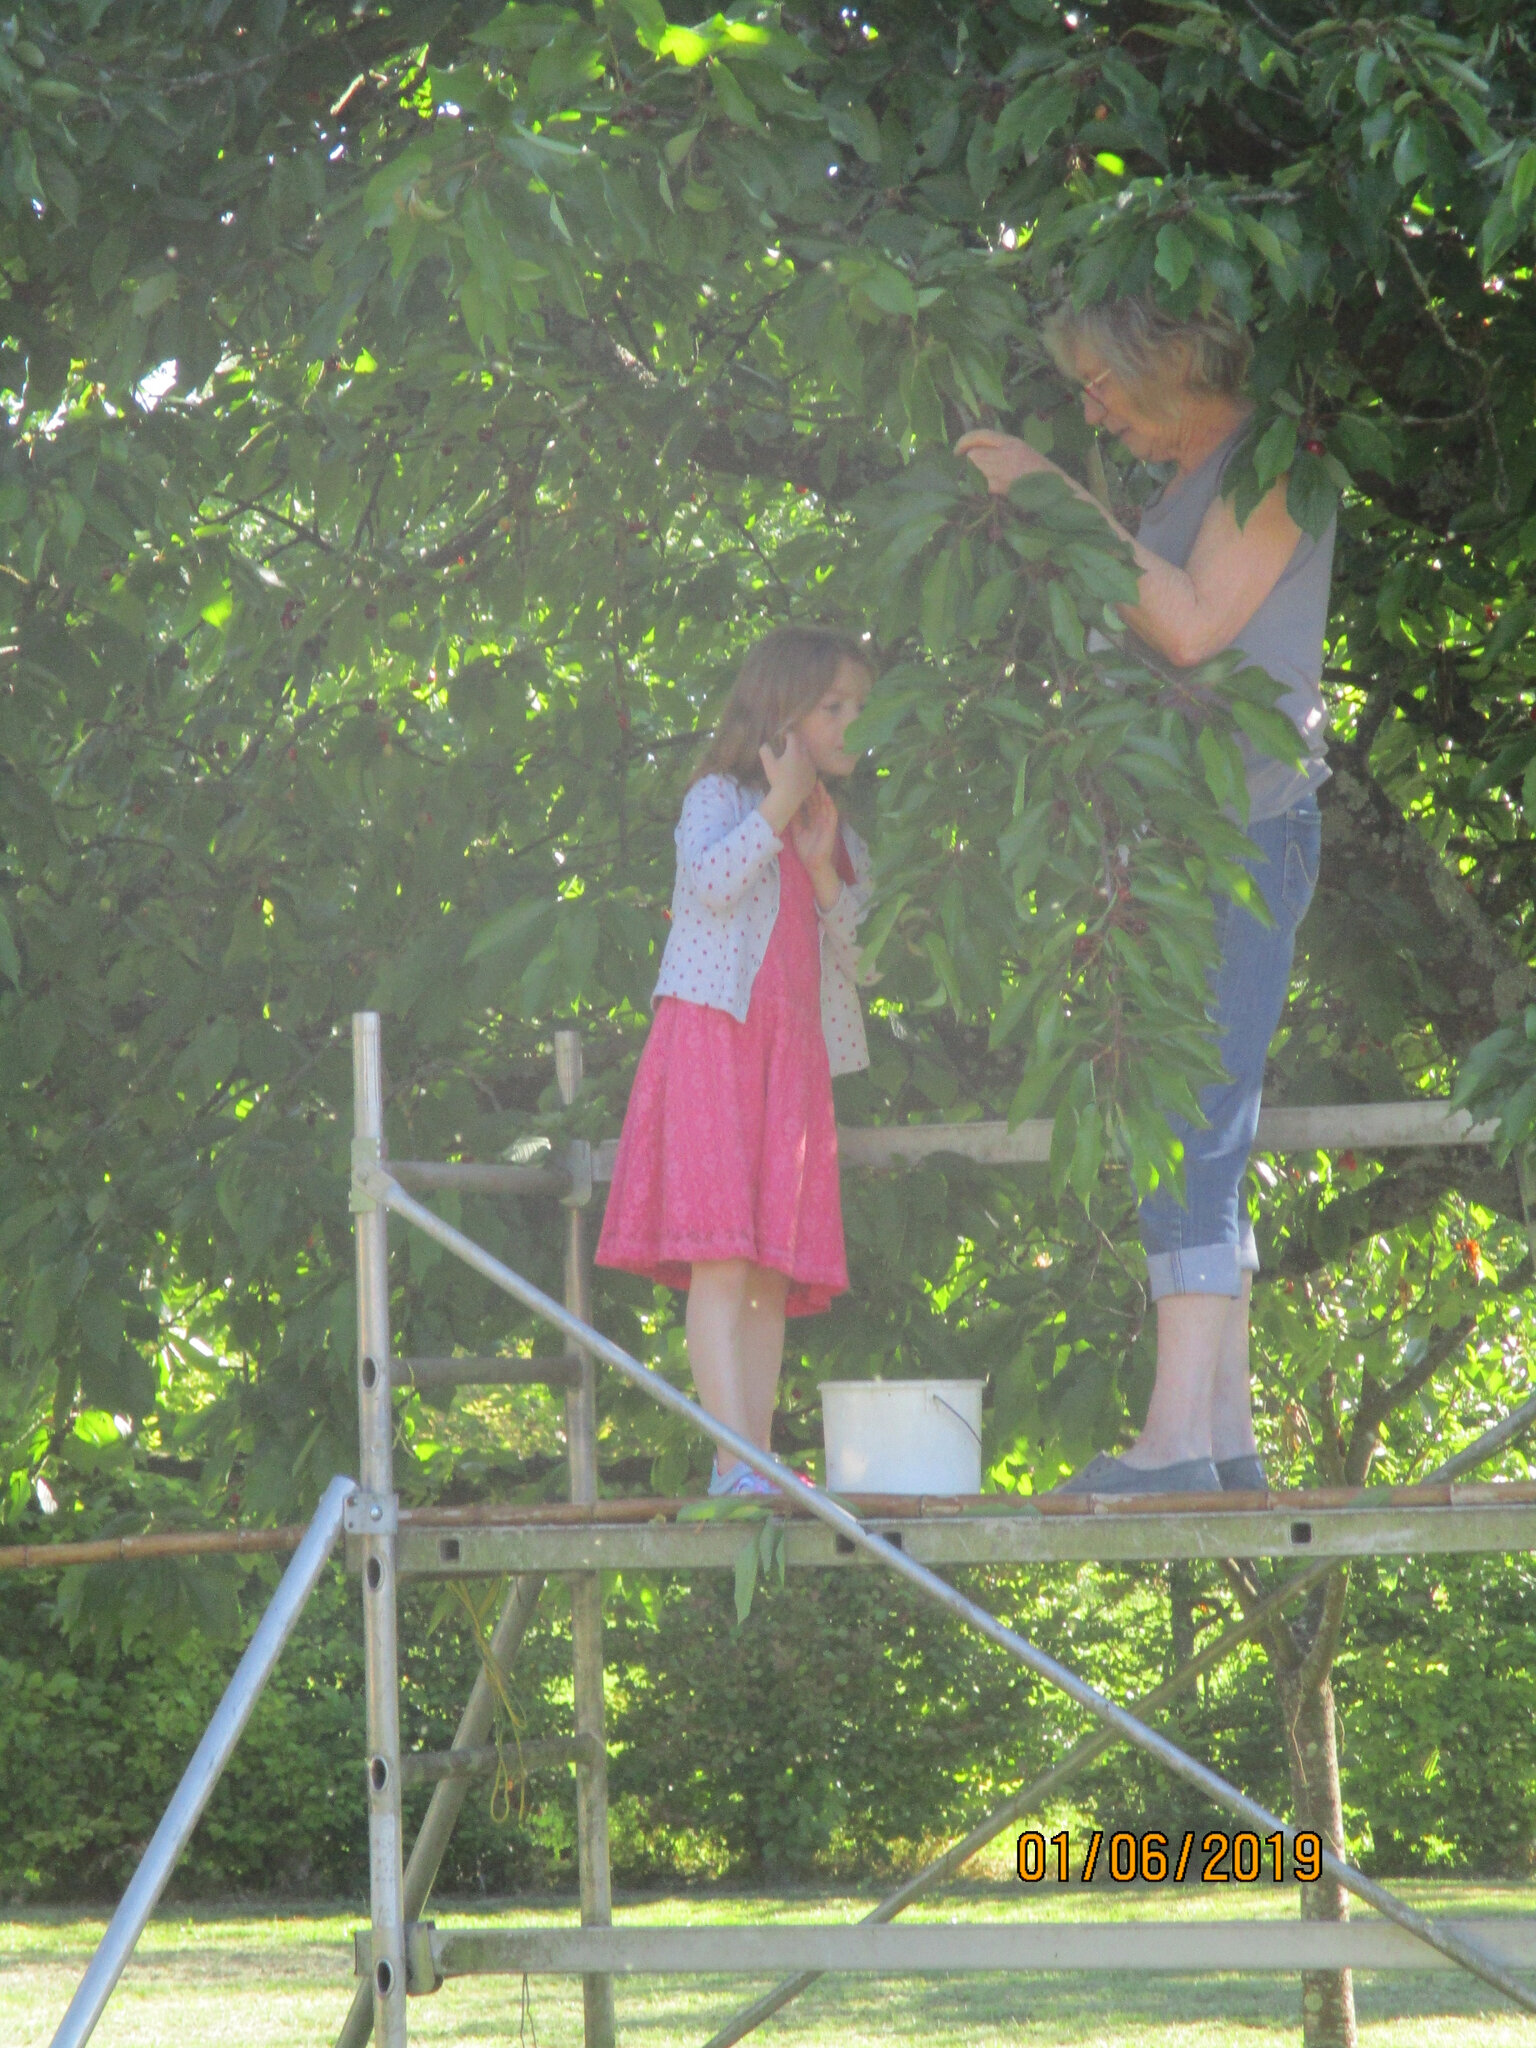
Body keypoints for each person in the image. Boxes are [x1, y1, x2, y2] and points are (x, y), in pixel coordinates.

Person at [958, 294, 1333, 1497]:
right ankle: (1218, 1436)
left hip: (1244, 829)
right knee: (1188, 1115)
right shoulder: (1186, 484)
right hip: (1175, 847)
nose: (1091, 408)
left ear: (1166, 360)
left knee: (1193, 1122)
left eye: (1103, 385)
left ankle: (1176, 1441)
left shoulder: (1278, 462)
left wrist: (1056, 497)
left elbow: (1188, 626)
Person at [596, 625, 875, 1496]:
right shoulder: (718, 798)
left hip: (789, 1064)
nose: (851, 725)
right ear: (781, 710)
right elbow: (709, 887)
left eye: (859, 709)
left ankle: (754, 1458)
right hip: (715, 1043)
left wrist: (825, 868)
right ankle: (732, 1463)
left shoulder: (837, 830)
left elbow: (864, 960)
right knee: (721, 1255)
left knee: (767, 1268)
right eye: (834, 708)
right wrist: (776, 807)